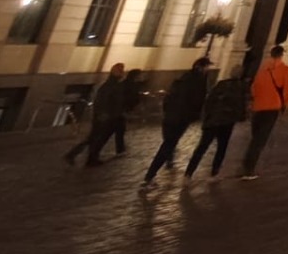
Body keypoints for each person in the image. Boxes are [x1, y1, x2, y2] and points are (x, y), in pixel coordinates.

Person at [142, 58, 212, 186]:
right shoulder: (198, 81)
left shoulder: (182, 78)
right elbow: (197, 100)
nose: (208, 70)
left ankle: (161, 165)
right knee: (168, 144)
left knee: (168, 143)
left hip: (171, 116)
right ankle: (150, 175)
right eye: (207, 67)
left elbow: (169, 97)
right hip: (181, 117)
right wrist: (195, 114)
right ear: (201, 67)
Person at [240, 45, 288, 180]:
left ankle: (247, 164)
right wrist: (285, 105)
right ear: (282, 55)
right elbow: (287, 90)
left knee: (255, 138)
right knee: (260, 140)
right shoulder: (286, 70)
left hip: (258, 107)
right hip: (272, 107)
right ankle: (248, 169)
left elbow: (254, 88)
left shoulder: (263, 70)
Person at [65, 62, 129, 168]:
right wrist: (103, 114)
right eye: (120, 71)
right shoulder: (110, 86)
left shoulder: (114, 85)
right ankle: (80, 156)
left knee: (96, 138)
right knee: (95, 138)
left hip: (110, 116)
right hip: (105, 117)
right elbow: (103, 101)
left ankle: (89, 157)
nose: (123, 73)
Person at [188, 72, 248, 181]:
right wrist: (241, 117)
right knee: (221, 147)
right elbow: (240, 105)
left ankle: (188, 174)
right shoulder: (240, 87)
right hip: (226, 122)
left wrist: (207, 117)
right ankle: (214, 173)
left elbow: (209, 101)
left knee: (202, 147)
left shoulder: (220, 85)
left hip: (213, 120)